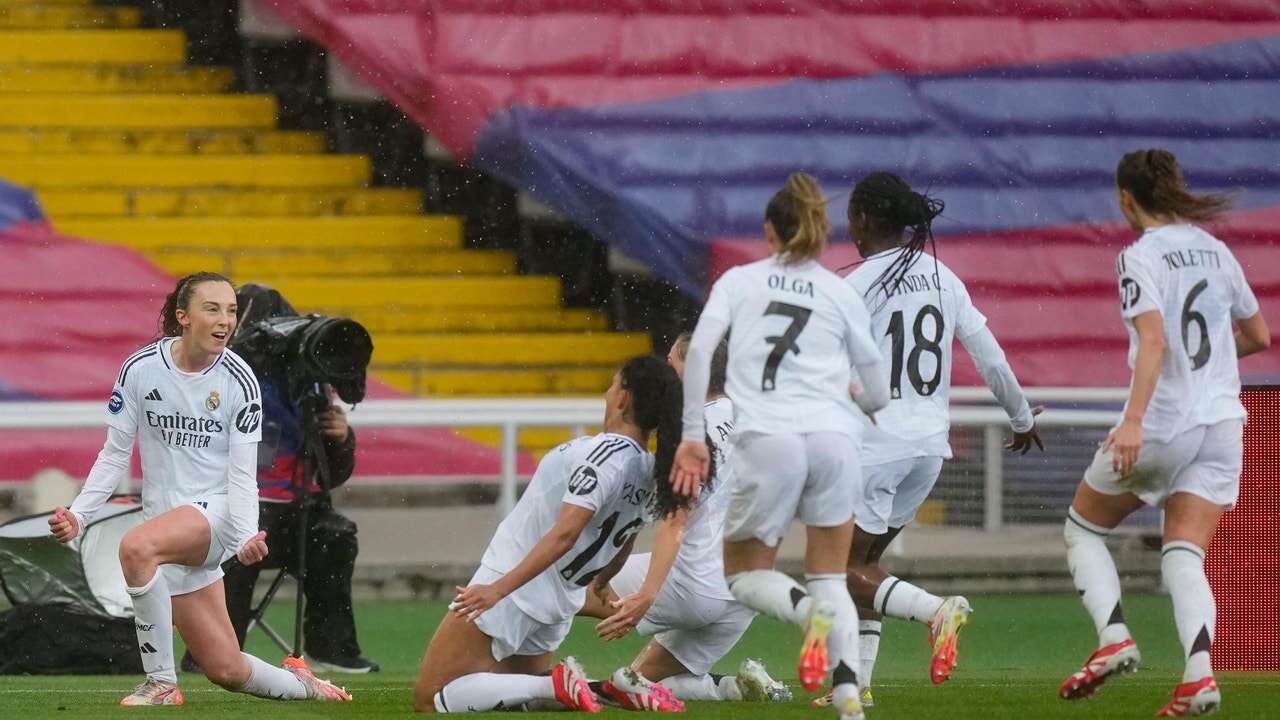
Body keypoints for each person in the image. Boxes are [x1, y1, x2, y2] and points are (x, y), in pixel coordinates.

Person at [47, 272, 351, 705]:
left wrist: (246, 533)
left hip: (219, 514)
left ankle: (160, 683)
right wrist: (79, 514)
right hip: (168, 522)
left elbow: (244, 474)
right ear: (182, 316)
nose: (226, 319)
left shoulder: (239, 380)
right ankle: (307, 686)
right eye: (213, 309)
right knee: (226, 669)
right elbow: (115, 454)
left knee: (136, 548)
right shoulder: (140, 369)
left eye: (231, 310)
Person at [1058, 149, 1270, 716]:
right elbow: (1258, 335)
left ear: (1126, 198)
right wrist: (1214, 366)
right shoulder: (1217, 251)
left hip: (1165, 424)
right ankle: (1199, 675)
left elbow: (1153, 341)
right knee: (1184, 554)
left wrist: (1132, 420)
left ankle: (1114, 639)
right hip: (1223, 426)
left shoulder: (1139, 257)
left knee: (1082, 530)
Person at [672, 172, 890, 720]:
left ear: (769, 231)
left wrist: (692, 435)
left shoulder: (740, 282)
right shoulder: (841, 291)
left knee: (744, 576)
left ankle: (805, 615)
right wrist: (853, 398)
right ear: (820, 235)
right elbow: (879, 394)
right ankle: (849, 705)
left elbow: (698, 354)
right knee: (830, 576)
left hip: (770, 438)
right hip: (835, 442)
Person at [829, 172, 1045, 704]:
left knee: (838, 568)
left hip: (875, 447)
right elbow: (989, 355)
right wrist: (1021, 418)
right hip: (928, 448)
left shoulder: (855, 286)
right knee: (869, 566)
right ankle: (860, 685)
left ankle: (937, 611)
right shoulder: (943, 277)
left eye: (850, 216)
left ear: (862, 218)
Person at [412, 355, 697, 713]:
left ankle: (560, 682)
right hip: (560, 600)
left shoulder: (603, 453)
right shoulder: (648, 470)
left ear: (624, 397)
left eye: (612, 386)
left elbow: (565, 533)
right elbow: (623, 542)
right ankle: (609, 689)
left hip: (514, 582)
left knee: (430, 696)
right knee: (518, 699)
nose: (607, 394)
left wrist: (496, 590)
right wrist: (601, 583)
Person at [579, 334, 791, 704]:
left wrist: (647, 593)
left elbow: (674, 521)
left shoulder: (689, 430)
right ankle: (730, 688)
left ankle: (506, 679)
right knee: (627, 686)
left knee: (552, 584)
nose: (665, 371)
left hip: (694, 583)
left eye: (671, 362)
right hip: (745, 592)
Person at [180, 284, 377, 674]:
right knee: (238, 544)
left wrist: (341, 438)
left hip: (301, 509)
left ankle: (332, 647)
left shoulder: (311, 375)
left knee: (336, 536)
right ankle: (214, 653)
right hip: (233, 506)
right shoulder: (220, 372)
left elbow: (332, 476)